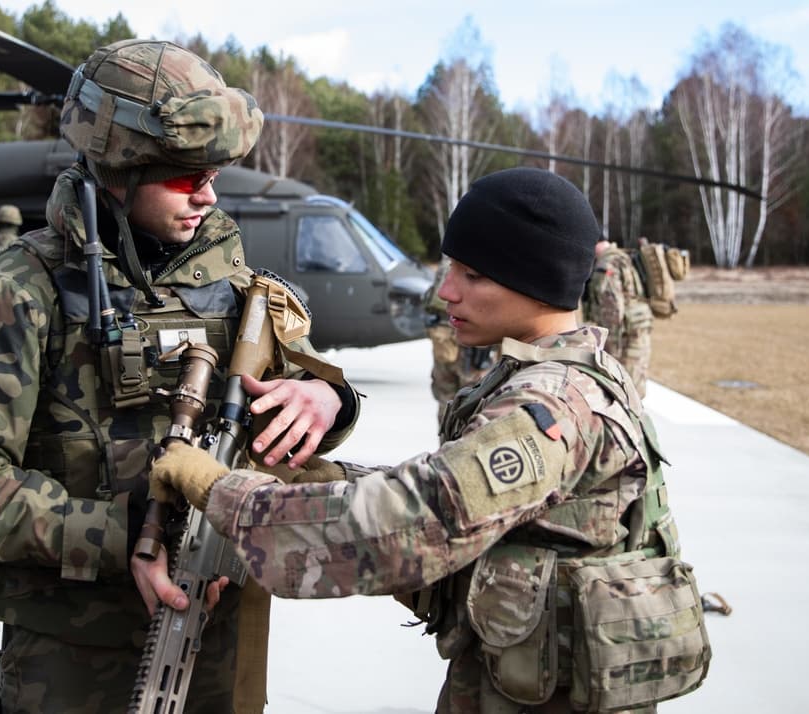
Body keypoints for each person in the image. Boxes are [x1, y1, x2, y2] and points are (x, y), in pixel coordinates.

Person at [0, 39, 360, 714]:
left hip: (222, 641)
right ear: (119, 167)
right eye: (183, 175)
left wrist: (328, 399)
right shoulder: (16, 292)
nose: (207, 193)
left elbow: (309, 400)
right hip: (77, 660)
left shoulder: (240, 292)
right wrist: (125, 537)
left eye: (213, 173)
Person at [150, 168, 709, 713]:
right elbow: (469, 508)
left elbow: (413, 522)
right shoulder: (558, 373)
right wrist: (333, 480)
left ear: (532, 280)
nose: (446, 293)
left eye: (472, 275)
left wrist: (221, 490)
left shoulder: (550, 407)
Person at [423, 255, 499, 428]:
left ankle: (446, 445)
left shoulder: (449, 262)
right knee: (473, 400)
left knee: (447, 398)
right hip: (467, 342)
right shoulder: (472, 262)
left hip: (443, 337)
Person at [582, 238, 654, 397]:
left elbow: (612, 310)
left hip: (624, 337)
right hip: (639, 329)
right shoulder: (623, 256)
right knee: (636, 384)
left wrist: (610, 353)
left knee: (626, 392)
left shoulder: (606, 264)